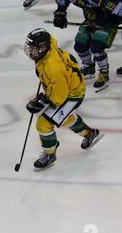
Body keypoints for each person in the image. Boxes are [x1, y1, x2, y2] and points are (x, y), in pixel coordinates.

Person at [24, 28, 104, 169]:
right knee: (62, 116)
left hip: (71, 95)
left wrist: (43, 100)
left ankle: (50, 154)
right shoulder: (50, 49)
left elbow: (59, 97)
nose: (30, 51)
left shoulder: (53, 68)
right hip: (68, 87)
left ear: (42, 48)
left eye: (33, 48)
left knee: (43, 123)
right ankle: (90, 133)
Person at [53, 0, 122, 91]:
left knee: (96, 47)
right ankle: (89, 66)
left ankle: (104, 73)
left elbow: (121, 6)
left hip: (106, 23)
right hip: (90, 21)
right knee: (79, 46)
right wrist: (60, 13)